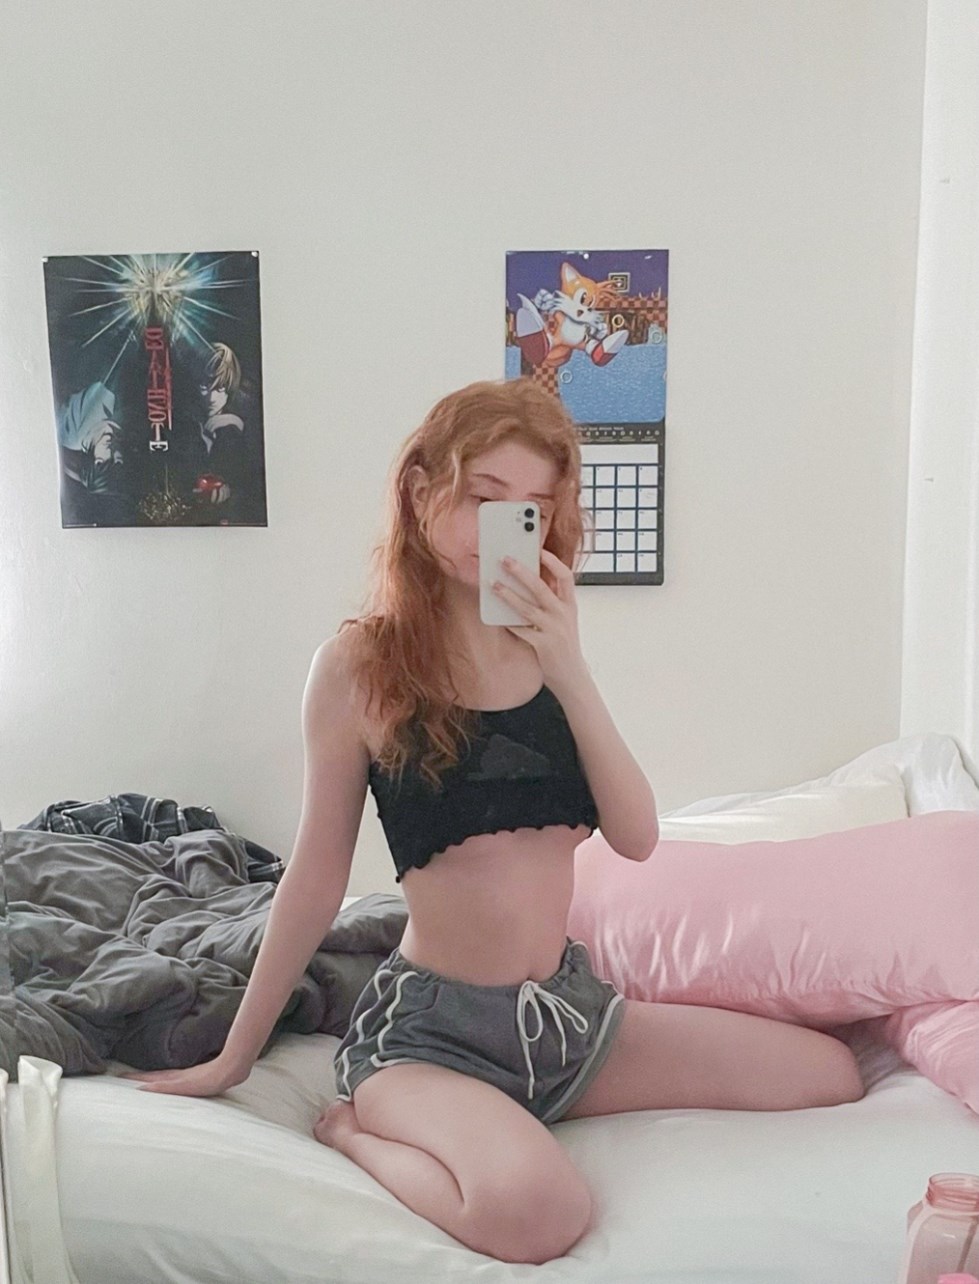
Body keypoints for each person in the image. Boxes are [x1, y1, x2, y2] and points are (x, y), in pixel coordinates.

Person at [122, 377, 865, 1265]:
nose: (507, 524)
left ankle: (517, 1111)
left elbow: (636, 836)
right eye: (483, 496)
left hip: (567, 1019)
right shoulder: (358, 667)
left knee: (829, 1073)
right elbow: (315, 879)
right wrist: (233, 1059)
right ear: (420, 491)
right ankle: (352, 1130)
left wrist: (570, 664)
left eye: (533, 508)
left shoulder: (546, 653)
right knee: (537, 1213)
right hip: (433, 1038)